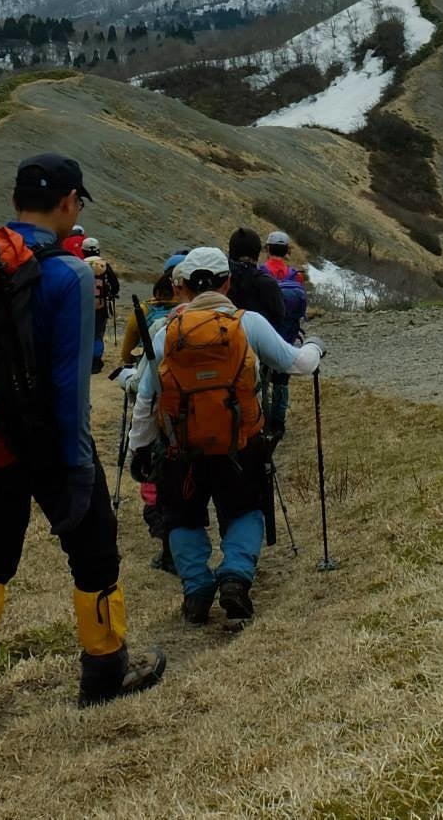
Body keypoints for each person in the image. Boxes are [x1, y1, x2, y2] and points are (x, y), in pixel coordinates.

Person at [0, 153, 164, 744]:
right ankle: (105, 673)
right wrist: (78, 466)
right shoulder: (69, 273)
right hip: (52, 447)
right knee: (95, 555)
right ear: (69, 203)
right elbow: (68, 380)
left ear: (15, 199)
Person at [128, 246, 321, 624]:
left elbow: (147, 397)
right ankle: (235, 576)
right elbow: (294, 363)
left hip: (181, 449)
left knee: (183, 518)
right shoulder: (248, 324)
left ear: (181, 285)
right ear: (227, 282)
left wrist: (138, 447)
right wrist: (314, 347)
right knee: (245, 510)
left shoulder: (165, 333)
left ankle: (197, 589)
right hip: (241, 443)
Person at [116, 251, 187, 573]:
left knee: (161, 469)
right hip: (211, 415)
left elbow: (128, 359)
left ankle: (167, 537)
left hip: (164, 411)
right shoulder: (231, 319)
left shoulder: (152, 318)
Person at [226, 228, 291, 435]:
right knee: (258, 385)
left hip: (224, 345)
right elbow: (280, 314)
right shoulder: (265, 282)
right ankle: (261, 426)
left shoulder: (222, 281)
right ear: (257, 253)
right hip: (258, 348)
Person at [83, 237, 121, 345]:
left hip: (83, 307)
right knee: (98, 334)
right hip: (101, 308)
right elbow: (115, 286)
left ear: (83, 251)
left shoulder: (80, 265)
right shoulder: (104, 266)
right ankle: (97, 357)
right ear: (98, 251)